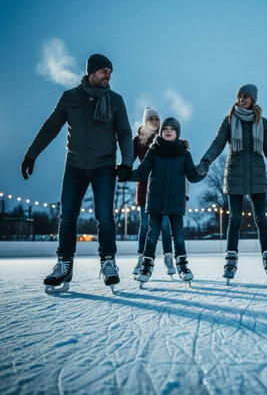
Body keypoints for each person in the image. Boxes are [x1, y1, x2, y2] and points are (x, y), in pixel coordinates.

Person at [20, 53, 133, 293]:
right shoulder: (70, 98)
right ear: (91, 72)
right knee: (67, 216)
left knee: (105, 216)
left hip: (104, 166)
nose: (108, 76)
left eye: (110, 73)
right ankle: (64, 263)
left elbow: (124, 132)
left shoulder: (115, 100)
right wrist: (31, 154)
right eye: (104, 72)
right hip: (75, 166)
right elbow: (51, 126)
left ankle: (108, 262)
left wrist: (127, 163)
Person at [196, 84, 267, 283]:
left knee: (261, 220)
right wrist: (205, 161)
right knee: (234, 219)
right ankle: (230, 261)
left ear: (253, 99)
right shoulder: (229, 121)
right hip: (235, 174)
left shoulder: (262, 122)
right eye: (239, 96)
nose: (242, 100)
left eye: (246, 97)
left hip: (257, 175)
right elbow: (218, 143)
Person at [120, 117, 204, 286]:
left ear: (177, 133)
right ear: (161, 132)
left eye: (172, 129)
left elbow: (192, 176)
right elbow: (142, 172)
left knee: (178, 235)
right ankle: (146, 266)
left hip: (176, 201)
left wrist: (203, 169)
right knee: (152, 235)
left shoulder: (184, 154)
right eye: (165, 128)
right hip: (155, 201)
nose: (168, 130)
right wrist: (125, 174)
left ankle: (182, 266)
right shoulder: (153, 151)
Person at [132, 107, 175, 277]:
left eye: (157, 119)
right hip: (144, 188)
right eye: (151, 119)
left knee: (165, 225)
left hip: (163, 188)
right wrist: (122, 170)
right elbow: (129, 159)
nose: (154, 122)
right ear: (145, 121)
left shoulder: (165, 137)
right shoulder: (138, 140)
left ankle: (168, 257)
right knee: (144, 225)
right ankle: (141, 258)